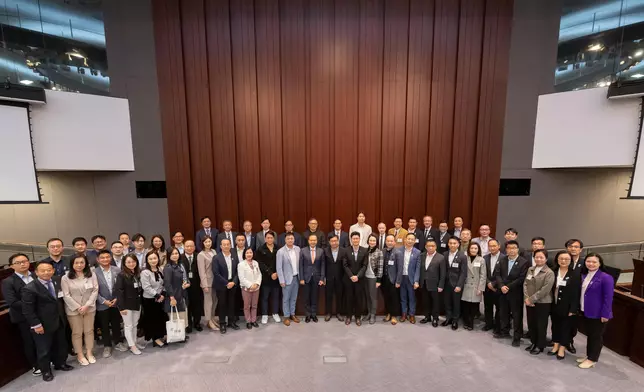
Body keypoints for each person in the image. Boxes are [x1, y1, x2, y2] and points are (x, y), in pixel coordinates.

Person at [21, 261, 74, 382]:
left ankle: (60, 364)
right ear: (36, 272)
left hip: (59, 320)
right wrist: (36, 325)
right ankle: (46, 371)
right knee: (43, 349)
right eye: (43, 270)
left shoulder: (56, 281)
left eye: (49, 270)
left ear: (53, 270)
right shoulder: (29, 288)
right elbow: (28, 310)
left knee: (60, 344)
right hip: (42, 324)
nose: (46, 272)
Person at [2, 253, 40, 376]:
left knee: (43, 338)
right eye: (18, 262)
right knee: (30, 341)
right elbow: (12, 302)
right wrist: (32, 306)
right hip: (23, 316)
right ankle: (35, 365)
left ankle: (46, 359)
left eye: (25, 261)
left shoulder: (36, 275)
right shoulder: (8, 282)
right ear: (12, 266)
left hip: (41, 313)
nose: (23, 264)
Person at [61, 253, 99, 366]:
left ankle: (89, 352)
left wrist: (87, 305)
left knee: (89, 331)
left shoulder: (91, 274)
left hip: (89, 308)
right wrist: (78, 307)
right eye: (76, 263)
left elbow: (95, 290)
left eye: (82, 262)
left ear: (86, 263)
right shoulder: (66, 277)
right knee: (77, 333)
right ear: (72, 264)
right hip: (73, 310)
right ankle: (80, 355)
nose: (79, 265)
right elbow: (66, 295)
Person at [577, 253, 614, 369]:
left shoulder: (606, 277)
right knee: (590, 335)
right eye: (588, 261)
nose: (591, 264)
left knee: (596, 336)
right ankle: (589, 355)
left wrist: (605, 313)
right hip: (586, 310)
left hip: (598, 313)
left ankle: (592, 359)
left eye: (594, 262)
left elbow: (608, 298)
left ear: (600, 263)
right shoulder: (584, 275)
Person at [494, 240, 529, 347]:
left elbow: (521, 278)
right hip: (503, 291)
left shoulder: (524, 262)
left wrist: (507, 287)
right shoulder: (502, 260)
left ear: (517, 249)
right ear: (506, 249)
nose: (511, 250)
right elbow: (497, 274)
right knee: (503, 313)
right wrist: (501, 286)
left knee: (517, 315)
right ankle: (505, 331)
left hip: (516, 293)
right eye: (509, 248)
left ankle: (517, 337)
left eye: (514, 248)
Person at [95, 250, 128, 358]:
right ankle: (107, 346)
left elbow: (121, 286)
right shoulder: (94, 272)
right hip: (102, 303)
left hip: (115, 302)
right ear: (98, 260)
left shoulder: (117, 270)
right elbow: (93, 290)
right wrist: (103, 301)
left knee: (116, 323)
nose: (105, 259)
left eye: (107, 257)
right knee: (104, 326)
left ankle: (118, 342)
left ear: (110, 258)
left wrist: (117, 298)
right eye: (102, 258)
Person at [549, 251, 580, 360]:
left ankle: (562, 347)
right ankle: (555, 344)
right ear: (557, 260)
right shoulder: (553, 271)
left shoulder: (575, 274)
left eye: (566, 259)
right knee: (555, 325)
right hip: (554, 304)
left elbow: (576, 293)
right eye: (561, 259)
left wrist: (573, 308)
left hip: (567, 305)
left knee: (565, 327)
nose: (563, 261)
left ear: (570, 260)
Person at [523, 249, 554, 355]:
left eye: (541, 257)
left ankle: (540, 345)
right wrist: (526, 298)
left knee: (541, 325)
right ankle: (533, 342)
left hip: (543, 303)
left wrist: (531, 299)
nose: (539, 259)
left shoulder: (549, 272)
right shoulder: (531, 269)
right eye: (536, 257)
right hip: (529, 301)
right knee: (531, 323)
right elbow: (525, 284)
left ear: (546, 259)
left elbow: (545, 290)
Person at [115, 254, 143, 355]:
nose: (131, 264)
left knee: (135, 324)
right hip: (126, 305)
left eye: (133, 261)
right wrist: (121, 307)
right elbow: (119, 291)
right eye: (128, 262)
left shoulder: (137, 274)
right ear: (124, 263)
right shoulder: (121, 275)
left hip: (136, 303)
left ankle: (134, 342)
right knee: (128, 325)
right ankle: (132, 345)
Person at [140, 251, 167, 347]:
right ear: (147, 260)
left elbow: (164, 283)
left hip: (161, 297)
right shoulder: (145, 272)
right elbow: (146, 287)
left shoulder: (160, 269)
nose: (153, 260)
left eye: (155, 258)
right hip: (150, 299)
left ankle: (161, 335)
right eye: (150, 259)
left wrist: (163, 294)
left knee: (161, 318)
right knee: (152, 319)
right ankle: (155, 338)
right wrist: (157, 296)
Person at [213, 239, 240, 334]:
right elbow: (216, 273)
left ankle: (231, 322)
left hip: (232, 284)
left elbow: (238, 271)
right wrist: (226, 283)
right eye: (224, 244)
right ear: (220, 246)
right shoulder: (216, 258)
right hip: (221, 285)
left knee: (232, 303)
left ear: (230, 245)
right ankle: (222, 323)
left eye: (228, 244)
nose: (226, 246)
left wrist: (233, 282)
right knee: (222, 304)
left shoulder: (234, 256)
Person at [163, 247, 190, 337]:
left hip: (182, 293)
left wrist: (187, 283)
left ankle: (182, 334)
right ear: (168, 255)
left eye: (176, 253)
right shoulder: (168, 268)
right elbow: (167, 284)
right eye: (172, 254)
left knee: (183, 314)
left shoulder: (180, 265)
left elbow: (185, 278)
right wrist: (172, 297)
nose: (175, 256)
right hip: (174, 294)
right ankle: (176, 335)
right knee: (175, 316)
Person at [395, 233, 421, 324]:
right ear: (405, 240)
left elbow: (418, 268)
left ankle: (412, 314)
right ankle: (404, 314)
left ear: (414, 241)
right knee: (403, 297)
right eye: (408, 239)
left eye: (412, 239)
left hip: (411, 279)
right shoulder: (398, 250)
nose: (410, 241)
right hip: (401, 278)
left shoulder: (417, 252)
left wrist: (416, 281)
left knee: (412, 298)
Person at [442, 237, 468, 330]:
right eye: (450, 243)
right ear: (448, 244)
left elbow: (463, 272)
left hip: (456, 284)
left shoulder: (462, 256)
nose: (452, 245)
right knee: (446, 302)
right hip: (446, 283)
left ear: (458, 244)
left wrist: (459, 285)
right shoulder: (444, 254)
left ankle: (455, 320)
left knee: (456, 303)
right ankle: (448, 318)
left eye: (454, 243)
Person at [418, 240, 445, 327]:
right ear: (425, 247)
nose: (430, 247)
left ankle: (435, 318)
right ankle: (427, 317)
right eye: (428, 246)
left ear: (436, 247)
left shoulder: (441, 257)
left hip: (435, 284)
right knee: (426, 301)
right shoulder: (422, 256)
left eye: (432, 246)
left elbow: (443, 273)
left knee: (435, 302)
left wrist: (441, 285)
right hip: (423, 283)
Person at [299, 234, 326, 323]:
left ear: (317, 241)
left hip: (317, 278)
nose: (313, 242)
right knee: (306, 297)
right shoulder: (303, 251)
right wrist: (301, 278)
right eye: (311, 240)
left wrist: (322, 278)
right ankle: (307, 315)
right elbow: (301, 266)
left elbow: (323, 265)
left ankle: (313, 314)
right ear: (308, 241)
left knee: (315, 297)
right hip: (306, 278)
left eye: (314, 240)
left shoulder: (321, 251)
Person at [276, 233, 301, 326]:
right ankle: (286, 316)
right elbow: (279, 267)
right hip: (286, 279)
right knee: (286, 299)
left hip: (296, 278)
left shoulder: (298, 249)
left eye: (292, 238)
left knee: (294, 298)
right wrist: (281, 280)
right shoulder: (281, 252)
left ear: (294, 239)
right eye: (288, 239)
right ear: (285, 240)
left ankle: (292, 314)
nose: (290, 240)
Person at [344, 232, 369, 326]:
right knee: (349, 298)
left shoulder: (364, 250)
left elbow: (365, 265)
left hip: (360, 279)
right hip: (348, 279)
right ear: (351, 239)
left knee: (359, 299)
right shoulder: (346, 250)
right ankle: (349, 316)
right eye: (353, 238)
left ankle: (358, 317)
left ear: (360, 239)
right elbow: (345, 265)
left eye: (357, 238)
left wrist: (357, 276)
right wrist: (351, 276)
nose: (355, 240)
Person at [256, 232, 281, 324]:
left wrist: (277, 273)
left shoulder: (278, 248)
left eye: (271, 238)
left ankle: (275, 313)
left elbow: (281, 262)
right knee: (265, 297)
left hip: (277, 276)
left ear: (274, 239)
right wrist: (270, 273)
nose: (270, 239)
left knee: (276, 296)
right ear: (265, 239)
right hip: (266, 277)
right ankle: (265, 314)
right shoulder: (260, 249)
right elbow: (260, 263)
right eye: (268, 238)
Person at [461, 242, 487, 330]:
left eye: (475, 248)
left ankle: (471, 323)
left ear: (478, 250)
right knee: (465, 305)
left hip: (476, 286)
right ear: (469, 249)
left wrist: (481, 288)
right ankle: (466, 322)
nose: (473, 250)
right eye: (472, 248)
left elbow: (483, 275)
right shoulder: (465, 258)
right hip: (466, 285)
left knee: (473, 306)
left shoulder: (481, 260)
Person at [565, 238, 584, 353]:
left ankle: (569, 341)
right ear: (567, 248)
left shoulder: (584, 263)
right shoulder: (562, 260)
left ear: (581, 249)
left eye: (576, 247)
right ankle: (556, 339)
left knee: (573, 322)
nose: (573, 248)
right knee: (558, 320)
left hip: (577, 297)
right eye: (571, 246)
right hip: (562, 296)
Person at [197, 235, 219, 330]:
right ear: (203, 243)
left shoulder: (214, 251)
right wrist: (204, 285)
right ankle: (209, 321)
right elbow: (201, 271)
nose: (208, 243)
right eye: (206, 242)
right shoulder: (201, 255)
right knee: (208, 302)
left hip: (215, 281)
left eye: (209, 241)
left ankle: (212, 318)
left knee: (215, 301)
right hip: (207, 282)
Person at [483, 239, 504, 333]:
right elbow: (483, 273)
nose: (492, 248)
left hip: (498, 287)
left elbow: (504, 274)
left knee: (499, 308)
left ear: (499, 246)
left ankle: (498, 326)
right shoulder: (485, 257)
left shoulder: (504, 258)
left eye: (494, 246)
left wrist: (494, 284)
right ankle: (488, 324)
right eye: (490, 246)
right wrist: (488, 283)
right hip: (487, 287)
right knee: (487, 307)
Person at [324, 234, 347, 321]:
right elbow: (323, 265)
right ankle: (328, 313)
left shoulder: (344, 251)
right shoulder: (325, 251)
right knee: (328, 296)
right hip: (328, 278)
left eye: (335, 241)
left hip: (340, 278)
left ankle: (339, 313)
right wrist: (323, 277)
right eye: (332, 241)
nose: (334, 243)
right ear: (329, 242)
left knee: (339, 296)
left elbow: (345, 266)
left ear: (338, 241)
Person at [238, 248, 262, 329]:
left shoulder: (255, 263)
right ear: (244, 254)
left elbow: (259, 275)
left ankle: (253, 320)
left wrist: (257, 283)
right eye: (247, 253)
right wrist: (250, 285)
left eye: (250, 252)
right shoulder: (241, 264)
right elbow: (241, 278)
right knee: (247, 306)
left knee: (254, 305)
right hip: (246, 289)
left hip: (256, 288)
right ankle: (248, 321)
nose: (249, 254)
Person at [182, 240, 203, 332]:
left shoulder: (199, 256)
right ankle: (188, 324)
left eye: (191, 246)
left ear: (194, 247)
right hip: (185, 286)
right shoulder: (180, 257)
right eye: (187, 246)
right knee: (187, 305)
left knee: (197, 305)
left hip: (197, 285)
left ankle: (197, 323)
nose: (189, 248)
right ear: (184, 247)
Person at [381, 235, 401, 324]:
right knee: (387, 297)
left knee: (394, 298)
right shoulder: (383, 251)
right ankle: (388, 313)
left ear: (394, 242)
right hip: (384, 279)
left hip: (393, 280)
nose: (389, 242)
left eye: (391, 241)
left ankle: (394, 316)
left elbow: (400, 268)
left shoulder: (398, 252)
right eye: (388, 241)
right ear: (386, 242)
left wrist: (398, 281)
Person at [364, 234, 383, 324]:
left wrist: (378, 280)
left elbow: (380, 267)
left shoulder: (379, 252)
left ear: (376, 242)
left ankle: (373, 314)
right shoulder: (365, 250)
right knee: (367, 296)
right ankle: (368, 313)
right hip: (365, 277)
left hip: (373, 278)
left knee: (373, 297)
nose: (372, 242)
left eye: (374, 241)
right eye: (370, 240)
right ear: (368, 241)